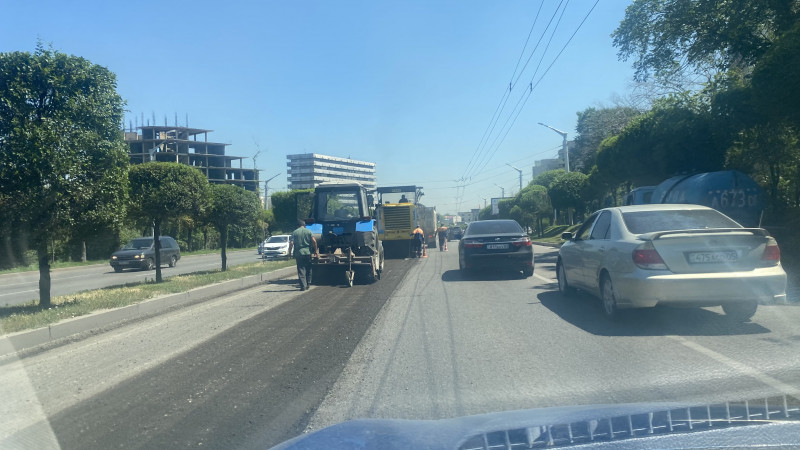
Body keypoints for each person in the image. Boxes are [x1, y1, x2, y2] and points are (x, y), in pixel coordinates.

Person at [287, 219, 318, 291]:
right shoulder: (309, 231)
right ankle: (308, 283)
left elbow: (291, 243)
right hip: (307, 252)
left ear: (298, 225)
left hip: (298, 253)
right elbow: (314, 241)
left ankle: (303, 286)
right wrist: (315, 251)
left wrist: (289, 253)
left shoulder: (295, 232)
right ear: (305, 225)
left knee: (301, 269)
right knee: (308, 268)